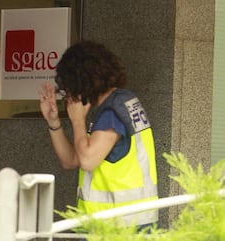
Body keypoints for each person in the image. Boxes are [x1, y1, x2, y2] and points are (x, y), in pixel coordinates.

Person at [39, 40, 158, 230]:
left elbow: (87, 161)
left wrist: (78, 121)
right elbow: (71, 160)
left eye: (69, 88)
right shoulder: (119, 104)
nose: (68, 96)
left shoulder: (112, 111)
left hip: (118, 227)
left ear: (81, 81)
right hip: (122, 223)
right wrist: (54, 123)